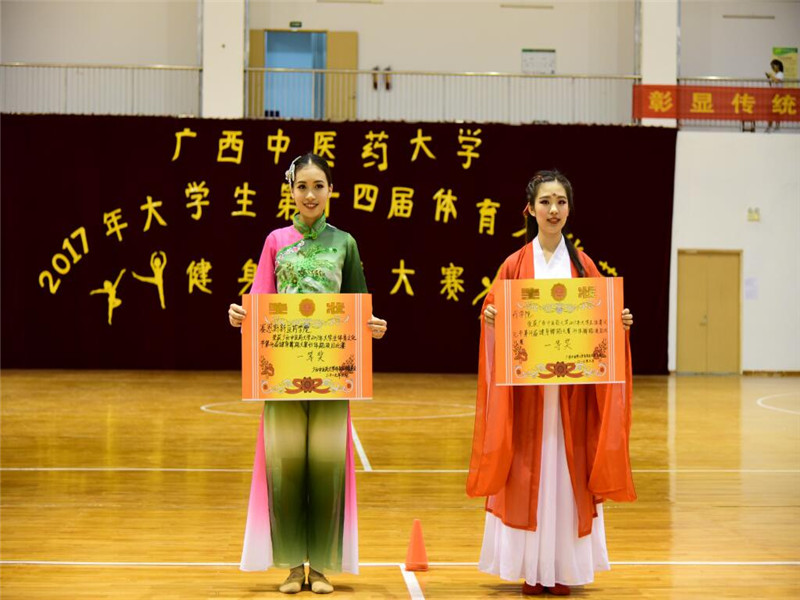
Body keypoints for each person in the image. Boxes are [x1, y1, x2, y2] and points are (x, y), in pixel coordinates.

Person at [467, 170, 636, 596]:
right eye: (545, 201)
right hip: (528, 396)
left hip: (571, 396)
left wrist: (618, 322)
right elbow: (493, 315)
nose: (553, 209)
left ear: (569, 209)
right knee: (528, 474)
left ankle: (561, 569)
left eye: (560, 201)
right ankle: (532, 568)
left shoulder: (583, 266)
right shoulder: (514, 264)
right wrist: (491, 317)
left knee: (565, 475)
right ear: (531, 209)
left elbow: (601, 323)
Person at [228, 153, 387, 594]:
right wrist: (241, 315)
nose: (310, 195)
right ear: (291, 191)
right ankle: (292, 566)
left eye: (318, 186)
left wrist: (373, 326)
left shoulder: (345, 244)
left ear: (331, 190)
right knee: (286, 468)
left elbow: (358, 304)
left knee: (326, 468)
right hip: (282, 374)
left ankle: (319, 567)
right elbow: (261, 300)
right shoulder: (276, 241)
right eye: (302, 186)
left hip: (331, 373)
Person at [766, 59, 785, 132]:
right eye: (772, 66)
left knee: (777, 112)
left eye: (773, 66)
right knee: (771, 112)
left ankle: (777, 127)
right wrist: (769, 78)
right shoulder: (776, 75)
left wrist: (771, 76)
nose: (772, 68)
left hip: (778, 96)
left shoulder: (780, 74)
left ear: (778, 66)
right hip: (774, 95)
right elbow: (772, 84)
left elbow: (777, 81)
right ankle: (769, 126)